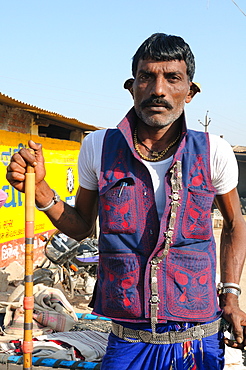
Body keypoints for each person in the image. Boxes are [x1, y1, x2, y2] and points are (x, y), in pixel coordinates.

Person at [6, 33, 246, 369]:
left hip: (198, 339)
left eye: (172, 78)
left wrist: (232, 295)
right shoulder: (98, 147)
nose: (158, 89)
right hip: (128, 339)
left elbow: (235, 224)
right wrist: (41, 188)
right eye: (147, 77)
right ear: (132, 87)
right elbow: (81, 226)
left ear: (189, 92)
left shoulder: (213, 151)